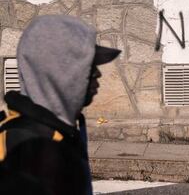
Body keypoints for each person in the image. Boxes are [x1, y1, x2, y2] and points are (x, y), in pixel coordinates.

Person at [0, 15, 121, 195]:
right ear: (59, 72)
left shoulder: (53, 130)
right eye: (88, 65)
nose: (97, 74)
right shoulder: (37, 150)